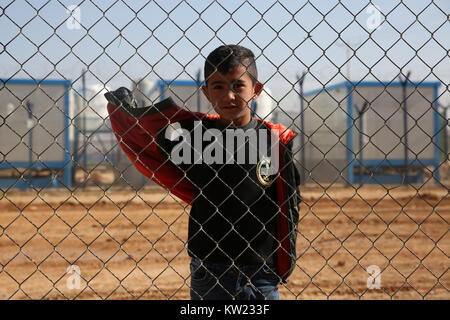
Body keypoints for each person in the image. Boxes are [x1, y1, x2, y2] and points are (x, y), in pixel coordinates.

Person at [105, 44, 301, 300]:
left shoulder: (274, 141)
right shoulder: (195, 136)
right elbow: (151, 143)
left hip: (261, 272)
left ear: (257, 90)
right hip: (210, 271)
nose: (229, 96)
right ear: (206, 92)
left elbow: (288, 204)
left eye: (237, 86)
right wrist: (132, 117)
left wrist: (282, 262)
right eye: (218, 87)